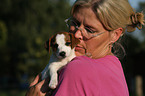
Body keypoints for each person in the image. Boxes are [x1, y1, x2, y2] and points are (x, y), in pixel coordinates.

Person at [26, 0, 144, 96]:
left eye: (89, 30)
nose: (76, 35)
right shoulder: (115, 67)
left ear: (115, 35)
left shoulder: (78, 69)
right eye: (74, 23)